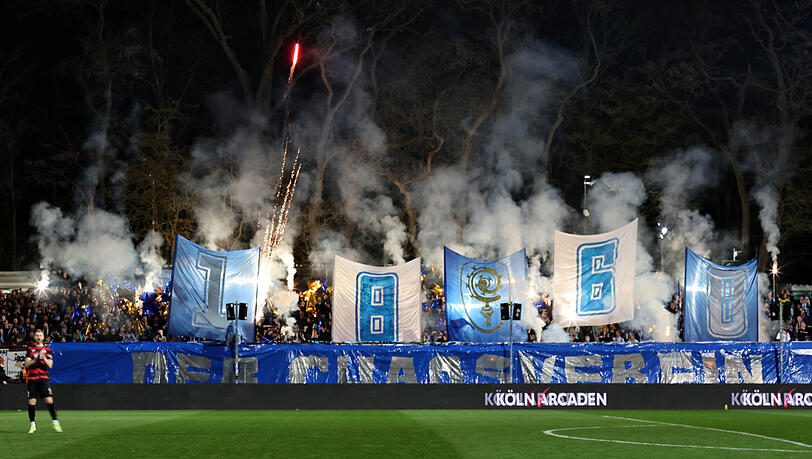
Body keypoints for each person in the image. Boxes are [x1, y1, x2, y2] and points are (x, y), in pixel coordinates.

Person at [23, 329, 62, 433]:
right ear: (34, 337)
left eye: (40, 335)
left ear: (43, 337)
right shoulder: (30, 349)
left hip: (43, 379)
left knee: (49, 400)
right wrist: (36, 359)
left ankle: (55, 422)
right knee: (32, 402)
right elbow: (26, 365)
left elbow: (50, 365)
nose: (39, 337)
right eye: (37, 335)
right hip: (32, 379)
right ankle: (32, 425)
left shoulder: (47, 349)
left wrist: (43, 357)